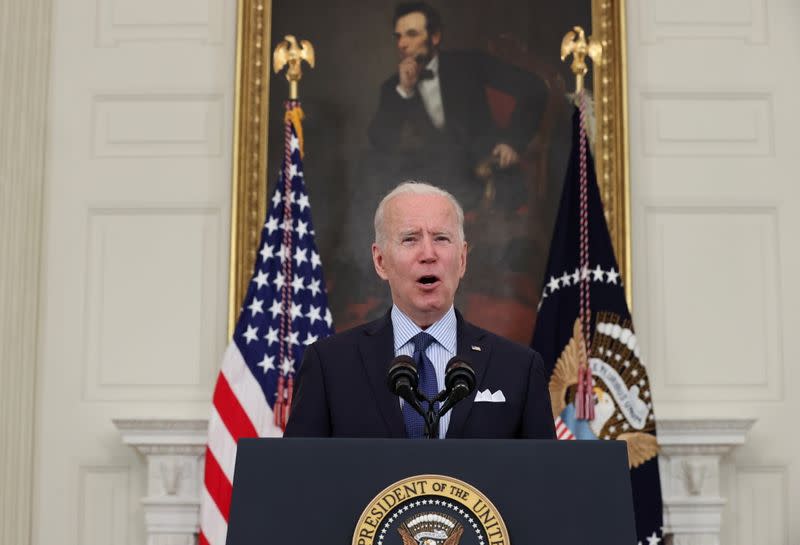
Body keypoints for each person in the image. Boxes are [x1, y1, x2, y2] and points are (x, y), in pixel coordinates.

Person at [284, 181, 556, 439]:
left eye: (441, 238)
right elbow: (299, 479)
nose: (428, 253)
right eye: (410, 239)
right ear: (380, 261)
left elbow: (544, 480)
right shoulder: (329, 365)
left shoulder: (518, 368)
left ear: (461, 260)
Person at [364, 2, 547, 212]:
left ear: (435, 37)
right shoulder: (393, 88)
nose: (402, 44)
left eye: (412, 34)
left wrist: (512, 141)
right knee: (372, 174)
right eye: (399, 36)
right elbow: (380, 142)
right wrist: (404, 91)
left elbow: (534, 88)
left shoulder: (470, 65)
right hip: (429, 181)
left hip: (483, 172)